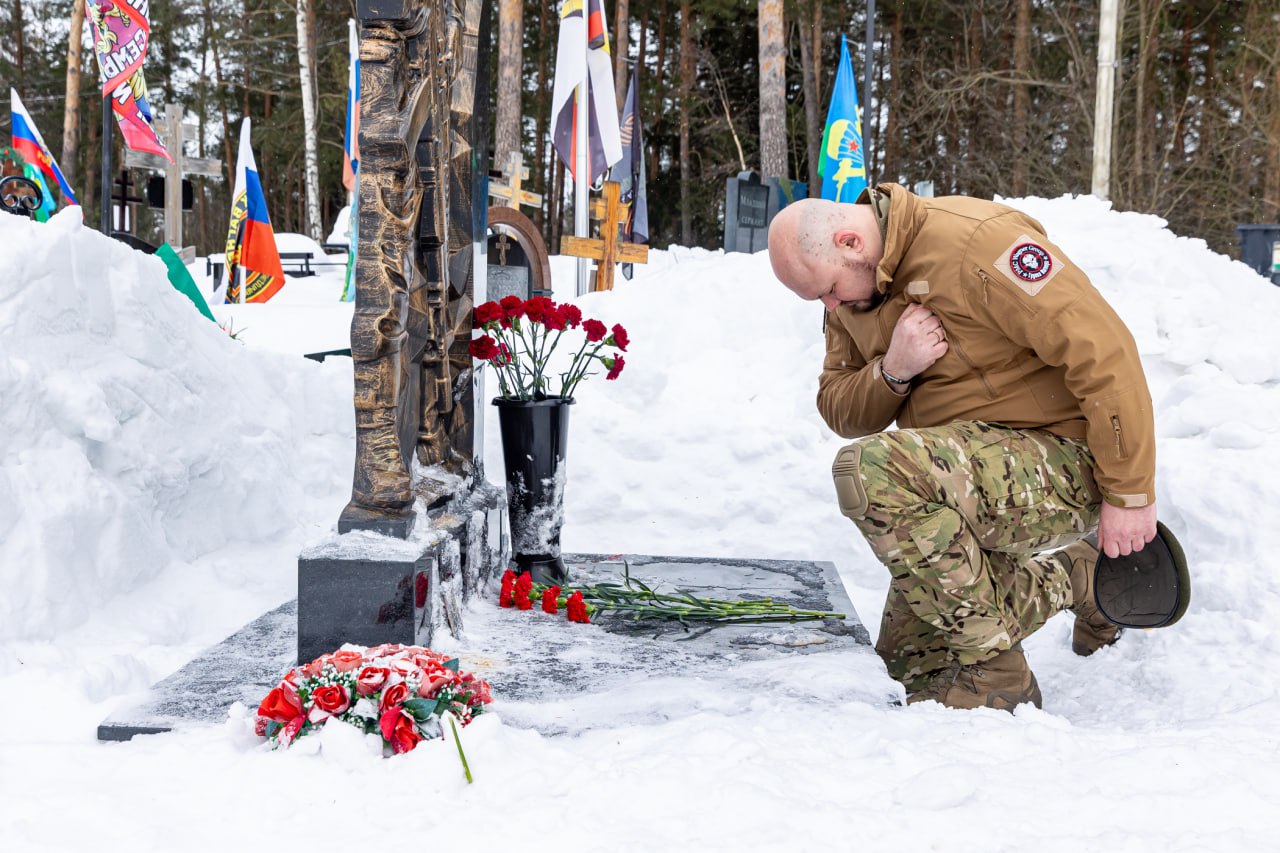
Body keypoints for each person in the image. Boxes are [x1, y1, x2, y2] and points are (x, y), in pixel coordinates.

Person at [768, 183, 1158, 711]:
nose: (831, 306)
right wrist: (893, 371)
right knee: (912, 666)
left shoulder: (978, 242)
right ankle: (1076, 578)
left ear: (850, 243)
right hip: (962, 482)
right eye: (821, 300)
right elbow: (839, 408)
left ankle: (998, 675)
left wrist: (1129, 492)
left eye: (829, 291)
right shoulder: (848, 293)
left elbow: (1104, 351)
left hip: (1061, 460)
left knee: (872, 470)